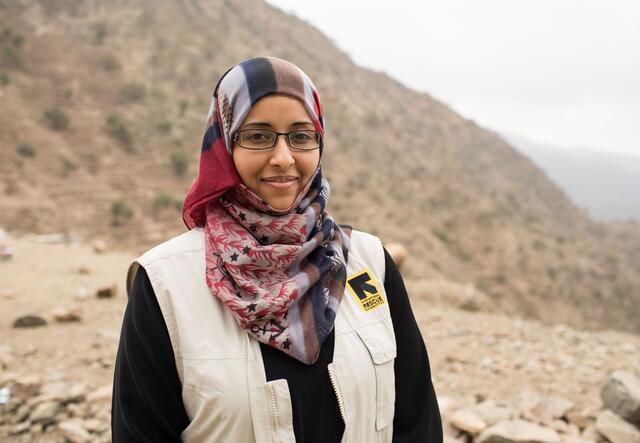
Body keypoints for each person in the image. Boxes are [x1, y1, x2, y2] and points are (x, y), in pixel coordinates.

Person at [111, 56, 442, 443]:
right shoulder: (166, 283)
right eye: (257, 136)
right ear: (223, 146)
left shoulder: (369, 262)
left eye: (301, 136)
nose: (283, 158)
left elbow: (417, 422)